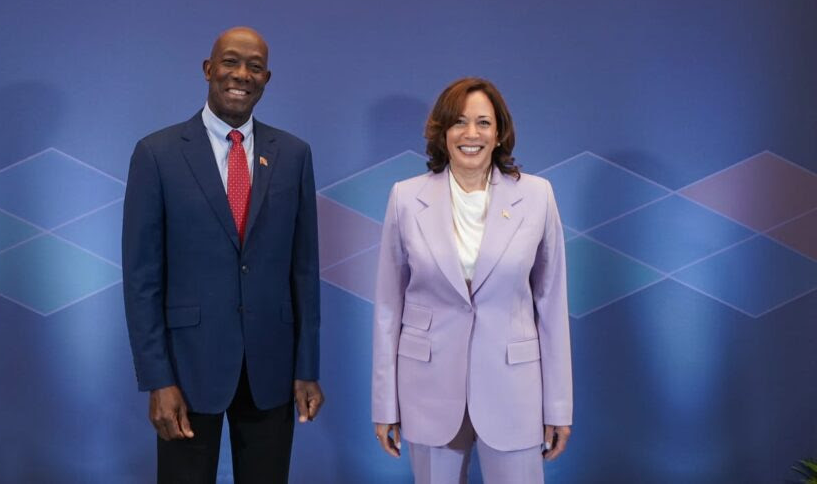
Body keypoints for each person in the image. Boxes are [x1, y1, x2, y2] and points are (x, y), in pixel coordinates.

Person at [122, 27, 324, 484]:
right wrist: (158, 378)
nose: (242, 74)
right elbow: (142, 280)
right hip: (187, 374)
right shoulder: (156, 154)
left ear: (266, 78)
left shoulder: (293, 155)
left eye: (254, 66)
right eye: (231, 62)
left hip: (270, 371)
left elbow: (304, 271)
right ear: (208, 69)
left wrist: (306, 367)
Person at [372, 77, 572, 484]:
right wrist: (384, 404)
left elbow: (552, 305)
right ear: (442, 132)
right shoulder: (406, 198)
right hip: (427, 390)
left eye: (483, 123)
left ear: (499, 133)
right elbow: (388, 307)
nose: (471, 134)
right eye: (459, 122)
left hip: (513, 389)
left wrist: (558, 407)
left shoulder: (537, 196)